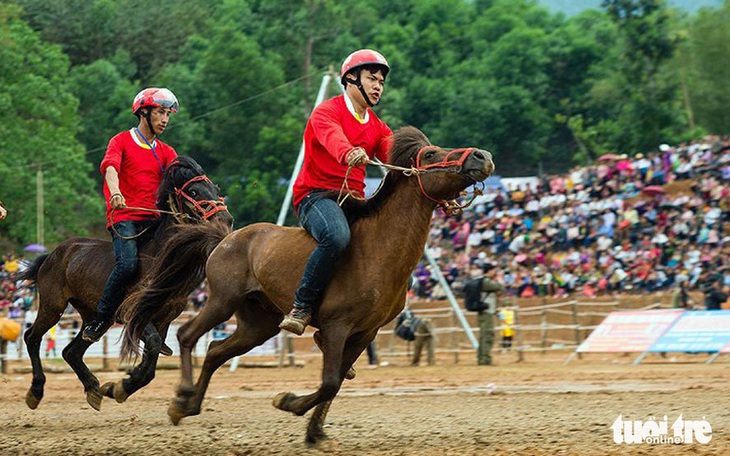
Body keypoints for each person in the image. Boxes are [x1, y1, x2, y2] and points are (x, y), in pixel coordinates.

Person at [279, 49, 393, 335]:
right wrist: (348, 152)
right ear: (351, 79)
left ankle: (347, 333)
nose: (378, 86)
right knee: (336, 236)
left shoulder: (378, 127)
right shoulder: (326, 112)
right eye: (372, 78)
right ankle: (302, 306)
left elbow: (397, 155)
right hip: (316, 197)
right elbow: (333, 138)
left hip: (354, 202)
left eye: (381, 81)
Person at [81, 88, 179, 342]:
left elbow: (179, 181)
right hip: (124, 217)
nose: (165, 119)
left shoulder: (168, 152)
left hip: (154, 220)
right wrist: (115, 192)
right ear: (143, 113)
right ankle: (101, 317)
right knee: (127, 265)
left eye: (168, 114)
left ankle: (159, 324)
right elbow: (110, 168)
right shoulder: (121, 141)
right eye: (160, 112)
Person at [473, 264, 505, 365]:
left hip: (486, 312)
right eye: (493, 271)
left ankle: (482, 357)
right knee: (487, 335)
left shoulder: (484, 281)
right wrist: (500, 279)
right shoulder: (486, 282)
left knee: (484, 335)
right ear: (489, 271)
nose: (494, 273)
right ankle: (485, 358)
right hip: (486, 313)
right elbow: (500, 287)